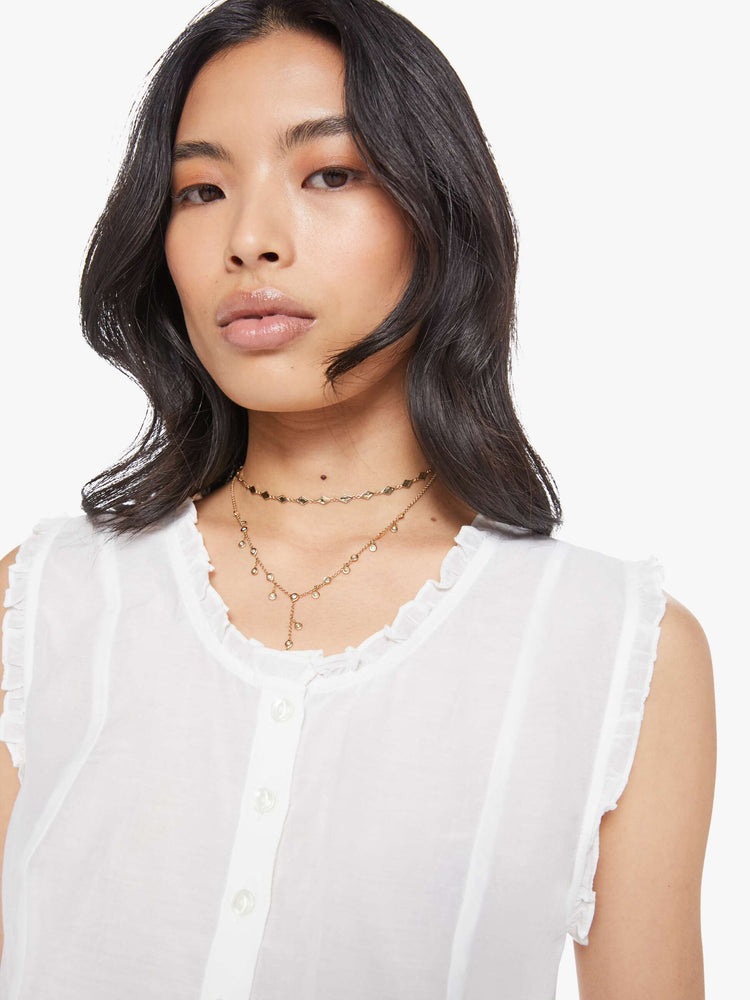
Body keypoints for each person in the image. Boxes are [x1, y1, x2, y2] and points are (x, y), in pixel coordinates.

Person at [0, 0, 716, 997]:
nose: (249, 239)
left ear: (438, 213)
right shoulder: (41, 604)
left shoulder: (614, 646)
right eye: (200, 189)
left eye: (329, 173)